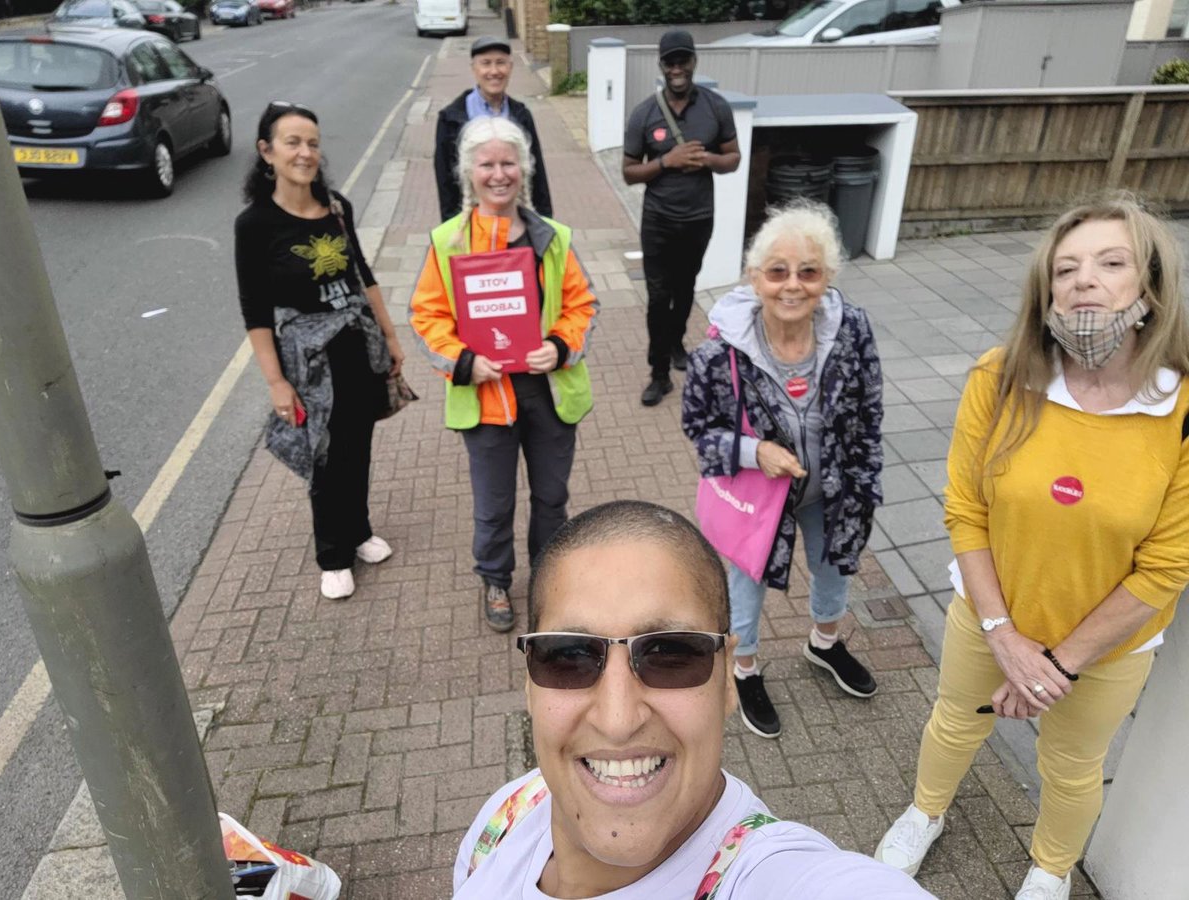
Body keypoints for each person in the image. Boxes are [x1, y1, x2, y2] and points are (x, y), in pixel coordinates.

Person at [875, 193, 1189, 900]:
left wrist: (1055, 666)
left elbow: (1167, 564)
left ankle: (1049, 870)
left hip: (1108, 653)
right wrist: (1005, 637)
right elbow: (966, 509)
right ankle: (925, 814)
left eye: (1112, 263)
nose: (1084, 280)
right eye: (1065, 268)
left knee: (1073, 763)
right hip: (989, 617)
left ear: (1152, 285)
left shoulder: (1181, 410)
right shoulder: (1001, 377)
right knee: (956, 721)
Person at [453, 500, 934, 898]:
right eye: (569, 656)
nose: (618, 720)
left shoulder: (778, 880)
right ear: (530, 685)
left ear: (728, 678)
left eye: (670, 653)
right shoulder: (506, 816)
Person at [682, 199, 884, 740]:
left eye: (809, 271)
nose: (792, 285)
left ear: (828, 277)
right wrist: (756, 453)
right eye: (777, 272)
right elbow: (699, 430)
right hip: (758, 498)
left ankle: (824, 644)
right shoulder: (721, 351)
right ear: (755, 278)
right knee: (745, 585)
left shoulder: (851, 329)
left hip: (832, 489)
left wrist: (865, 483)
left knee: (834, 567)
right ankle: (744, 670)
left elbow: (869, 408)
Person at [410, 116, 597, 633]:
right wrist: (465, 361)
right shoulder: (448, 241)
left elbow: (583, 304)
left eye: (508, 162)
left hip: (548, 391)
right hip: (488, 395)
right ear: (468, 172)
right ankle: (495, 578)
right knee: (494, 505)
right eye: (487, 163)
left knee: (551, 498)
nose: (499, 174)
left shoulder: (553, 237)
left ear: (525, 168)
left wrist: (559, 347)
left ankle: (549, 577)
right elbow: (427, 318)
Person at [234, 101, 406, 601]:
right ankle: (332, 555)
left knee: (358, 442)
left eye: (312, 142)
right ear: (267, 152)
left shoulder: (336, 206)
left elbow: (362, 275)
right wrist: (275, 383)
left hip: (356, 343)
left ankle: (359, 531)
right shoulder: (255, 224)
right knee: (325, 454)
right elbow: (255, 311)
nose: (305, 152)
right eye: (292, 142)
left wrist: (391, 337)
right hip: (309, 362)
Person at [623, 29, 741, 407]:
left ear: (693, 62)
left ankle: (676, 342)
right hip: (658, 221)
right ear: (661, 66)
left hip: (698, 218)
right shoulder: (644, 113)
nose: (677, 68)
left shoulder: (715, 107)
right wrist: (666, 162)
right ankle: (659, 373)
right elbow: (628, 172)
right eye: (670, 62)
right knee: (659, 296)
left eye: (683, 60)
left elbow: (733, 158)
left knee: (685, 287)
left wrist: (706, 159)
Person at [433, 35, 553, 223]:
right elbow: (446, 183)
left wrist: (545, 222)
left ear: (510, 68)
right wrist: (454, 230)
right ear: (474, 69)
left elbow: (537, 176)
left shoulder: (521, 115)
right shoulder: (450, 119)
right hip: (472, 224)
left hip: (517, 223)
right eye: (486, 63)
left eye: (501, 63)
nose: (494, 71)